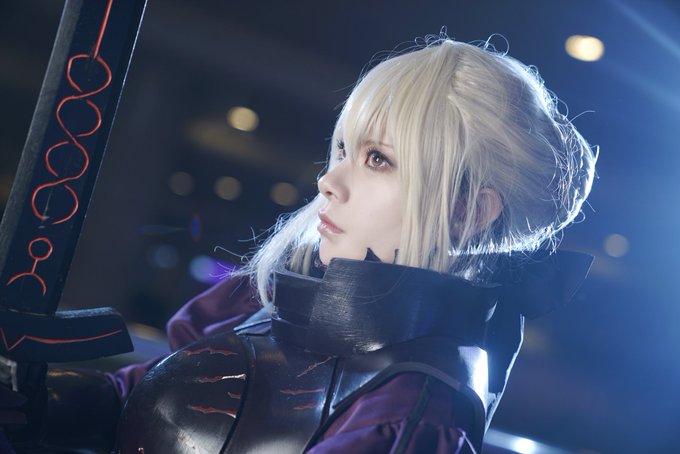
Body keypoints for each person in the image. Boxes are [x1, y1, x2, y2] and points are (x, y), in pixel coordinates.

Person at [2, 35, 596, 453]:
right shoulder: (262, 307)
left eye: (378, 159)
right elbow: (141, 396)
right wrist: (44, 403)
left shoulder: (415, 413)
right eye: (343, 150)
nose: (328, 182)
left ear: (467, 211)